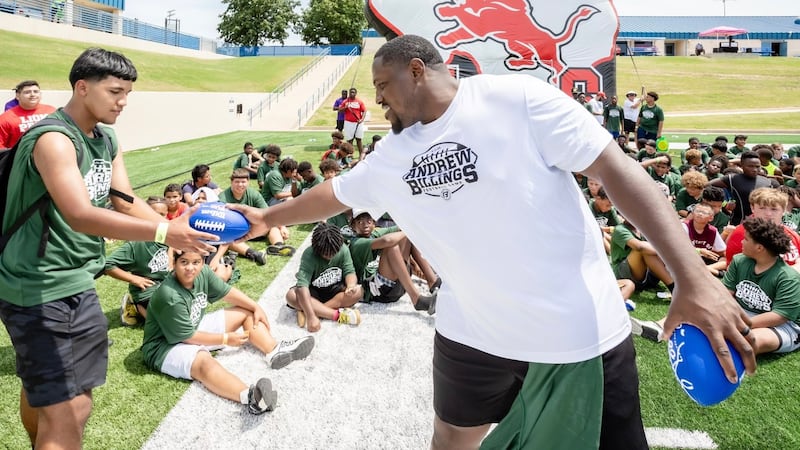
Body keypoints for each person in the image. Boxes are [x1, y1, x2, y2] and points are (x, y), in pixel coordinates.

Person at [230, 35, 754, 450]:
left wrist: (693, 276)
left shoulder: (519, 99)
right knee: (450, 440)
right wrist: (265, 218)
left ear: (416, 70)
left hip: (578, 332)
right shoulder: (393, 155)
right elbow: (332, 195)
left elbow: (619, 173)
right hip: (473, 333)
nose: (378, 100)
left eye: (382, 84)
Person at [0, 48, 215, 449]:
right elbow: (81, 214)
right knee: (71, 413)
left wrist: (174, 223)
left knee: (47, 390)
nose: (123, 102)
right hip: (38, 287)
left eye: (127, 93)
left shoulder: (106, 137)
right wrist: (163, 234)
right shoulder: (53, 140)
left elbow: (123, 199)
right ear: (82, 88)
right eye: (115, 91)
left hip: (77, 281)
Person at [142, 251, 315, 414]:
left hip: (190, 326)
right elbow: (186, 337)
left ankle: (274, 350)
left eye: (196, 262)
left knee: (245, 312)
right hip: (163, 346)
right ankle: (252, 398)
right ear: (174, 262)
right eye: (184, 262)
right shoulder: (169, 294)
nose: (190, 268)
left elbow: (227, 293)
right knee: (203, 361)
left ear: (203, 261)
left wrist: (255, 306)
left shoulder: (202, 273)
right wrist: (225, 339)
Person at [722, 217, 800, 355]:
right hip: (744, 314)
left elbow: (780, 316)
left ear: (759, 248)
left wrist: (739, 326)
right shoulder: (739, 261)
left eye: (745, 239)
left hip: (783, 326)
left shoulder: (787, 277)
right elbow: (725, 294)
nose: (741, 241)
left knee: (748, 342)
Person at [348, 209, 440, 310]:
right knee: (392, 246)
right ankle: (417, 299)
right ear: (353, 226)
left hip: (394, 284)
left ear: (374, 223)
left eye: (368, 221)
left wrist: (411, 227)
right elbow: (387, 240)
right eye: (360, 222)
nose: (365, 225)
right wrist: (409, 230)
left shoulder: (374, 234)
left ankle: (433, 281)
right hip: (377, 290)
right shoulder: (356, 243)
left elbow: (400, 229)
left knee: (405, 237)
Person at [105, 196, 173, 326]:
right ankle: (134, 305)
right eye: (155, 214)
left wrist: (170, 257)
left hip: (165, 285)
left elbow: (170, 244)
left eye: (163, 215)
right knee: (164, 325)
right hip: (146, 291)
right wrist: (134, 279)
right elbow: (107, 264)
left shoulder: (163, 234)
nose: (160, 219)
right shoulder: (136, 243)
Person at [285, 223, 362, 332]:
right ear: (317, 249)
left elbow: (350, 272)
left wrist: (350, 285)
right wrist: (311, 317)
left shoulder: (343, 249)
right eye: (326, 253)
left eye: (333, 252)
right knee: (291, 295)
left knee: (358, 291)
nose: (330, 256)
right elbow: (302, 286)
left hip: (335, 291)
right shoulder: (309, 254)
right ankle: (337, 315)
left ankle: (312, 311)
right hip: (313, 293)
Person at [219, 168, 295, 259]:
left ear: (248, 182)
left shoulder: (253, 194)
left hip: (255, 228)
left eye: (243, 182)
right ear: (231, 182)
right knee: (226, 237)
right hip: (236, 231)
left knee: (271, 225)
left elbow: (267, 213)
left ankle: (279, 246)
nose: (240, 185)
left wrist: (282, 227)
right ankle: (253, 254)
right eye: (237, 182)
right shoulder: (223, 198)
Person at [709, 151, 779, 225]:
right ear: (742, 166)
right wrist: (723, 203)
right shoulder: (733, 179)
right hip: (739, 223)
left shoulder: (767, 182)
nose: (755, 169)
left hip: (762, 225)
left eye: (757, 166)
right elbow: (707, 186)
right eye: (750, 166)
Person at [0, 80, 56, 149]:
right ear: (17, 96)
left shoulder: (52, 111)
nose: (32, 94)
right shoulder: (5, 118)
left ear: (40, 94)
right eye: (27, 92)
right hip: (20, 158)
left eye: (36, 91)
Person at [339, 87, 367, 159]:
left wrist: (362, 119)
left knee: (359, 139)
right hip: (348, 123)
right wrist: (345, 107)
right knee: (349, 140)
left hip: (358, 122)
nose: (352, 93)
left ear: (356, 93)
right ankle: (349, 155)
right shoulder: (345, 101)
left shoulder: (359, 102)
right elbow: (340, 110)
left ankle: (361, 155)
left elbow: (364, 111)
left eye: (353, 92)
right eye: (351, 92)